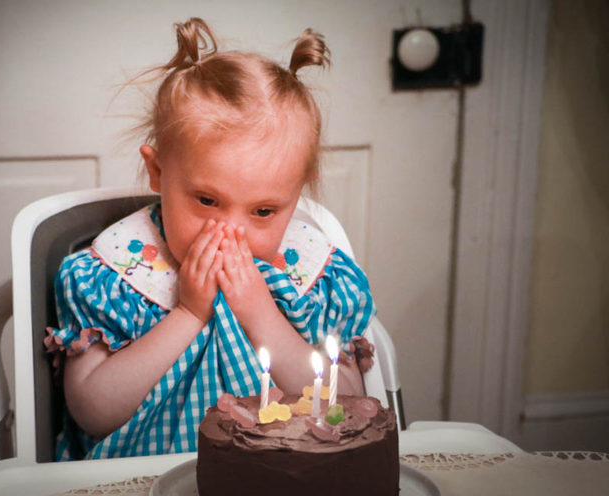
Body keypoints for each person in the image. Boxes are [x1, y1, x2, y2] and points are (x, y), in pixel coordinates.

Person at [45, 17, 376, 460]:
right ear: (158, 172)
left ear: (298, 191)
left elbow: (348, 407)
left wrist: (260, 313)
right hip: (140, 488)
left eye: (263, 211)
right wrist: (188, 312)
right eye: (206, 200)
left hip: (287, 489)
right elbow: (93, 411)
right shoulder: (115, 274)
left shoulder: (313, 274)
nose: (231, 231)